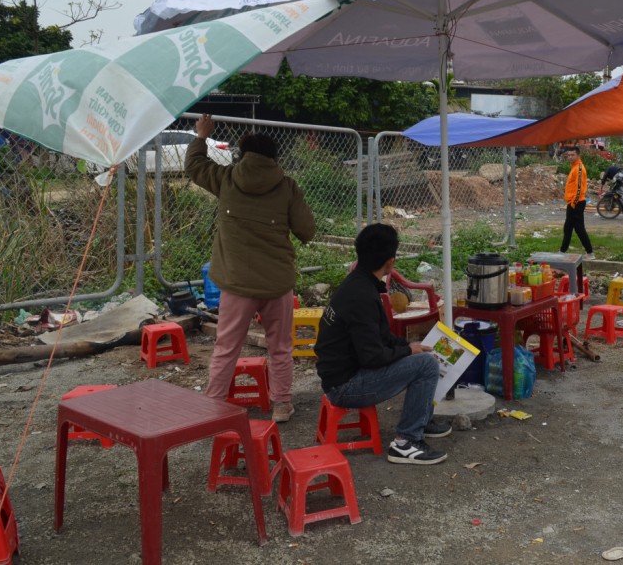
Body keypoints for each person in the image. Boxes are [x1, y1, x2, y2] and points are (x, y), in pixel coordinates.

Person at [185, 114, 316, 423]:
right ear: (275, 157)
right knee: (280, 347)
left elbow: (193, 166)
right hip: (277, 283)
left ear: (242, 155)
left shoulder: (226, 179)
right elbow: (307, 230)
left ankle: (214, 405)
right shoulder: (287, 187)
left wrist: (202, 136)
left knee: (226, 346)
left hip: (236, 284)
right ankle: (281, 404)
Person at [315, 223, 451, 465]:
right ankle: (406, 443)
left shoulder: (358, 284)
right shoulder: (362, 296)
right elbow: (373, 358)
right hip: (344, 386)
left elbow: (383, 336)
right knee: (426, 366)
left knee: (421, 356)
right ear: (390, 262)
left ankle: (420, 421)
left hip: (343, 373)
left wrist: (411, 345)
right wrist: (408, 350)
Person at [559, 146, 595, 260]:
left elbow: (579, 188)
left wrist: (573, 203)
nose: (570, 157)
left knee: (579, 228)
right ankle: (562, 251)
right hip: (573, 202)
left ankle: (590, 253)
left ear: (578, 155)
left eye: (572, 155)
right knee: (568, 227)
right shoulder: (574, 167)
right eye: (568, 155)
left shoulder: (579, 168)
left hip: (577, 203)